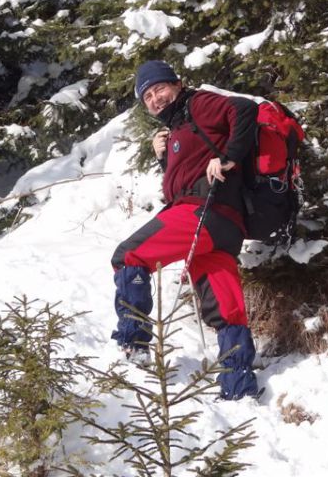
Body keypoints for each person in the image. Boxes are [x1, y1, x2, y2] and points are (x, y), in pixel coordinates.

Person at [110, 60, 260, 400]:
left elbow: (245, 109)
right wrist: (164, 158)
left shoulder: (198, 104)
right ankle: (238, 389)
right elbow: (182, 181)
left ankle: (134, 346)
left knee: (128, 255)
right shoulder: (179, 128)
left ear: (177, 84)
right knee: (226, 307)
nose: (155, 98)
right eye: (147, 95)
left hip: (202, 214)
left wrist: (229, 158)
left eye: (159, 88)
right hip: (224, 227)